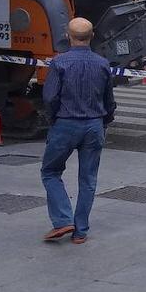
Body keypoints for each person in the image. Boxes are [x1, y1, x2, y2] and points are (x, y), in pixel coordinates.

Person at [40, 17, 116, 244]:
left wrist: (52, 119)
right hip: (94, 125)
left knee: (51, 172)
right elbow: (109, 99)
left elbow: (50, 97)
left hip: (65, 123)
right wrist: (105, 121)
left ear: (67, 35)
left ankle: (63, 220)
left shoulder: (59, 62)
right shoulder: (102, 63)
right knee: (88, 179)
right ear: (92, 36)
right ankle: (80, 231)